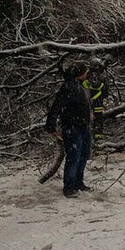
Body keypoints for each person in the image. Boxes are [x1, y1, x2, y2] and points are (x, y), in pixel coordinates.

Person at [46, 61, 93, 197]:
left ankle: (78, 182)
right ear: (79, 73)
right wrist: (51, 124)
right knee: (74, 157)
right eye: (85, 71)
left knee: (83, 155)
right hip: (72, 128)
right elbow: (57, 106)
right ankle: (69, 187)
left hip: (84, 126)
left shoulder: (81, 86)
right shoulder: (68, 87)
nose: (87, 74)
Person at [82, 57, 109, 151]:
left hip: (87, 103)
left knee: (88, 121)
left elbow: (82, 88)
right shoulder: (102, 76)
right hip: (97, 103)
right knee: (98, 121)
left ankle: (89, 141)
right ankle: (98, 141)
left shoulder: (86, 75)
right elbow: (106, 92)